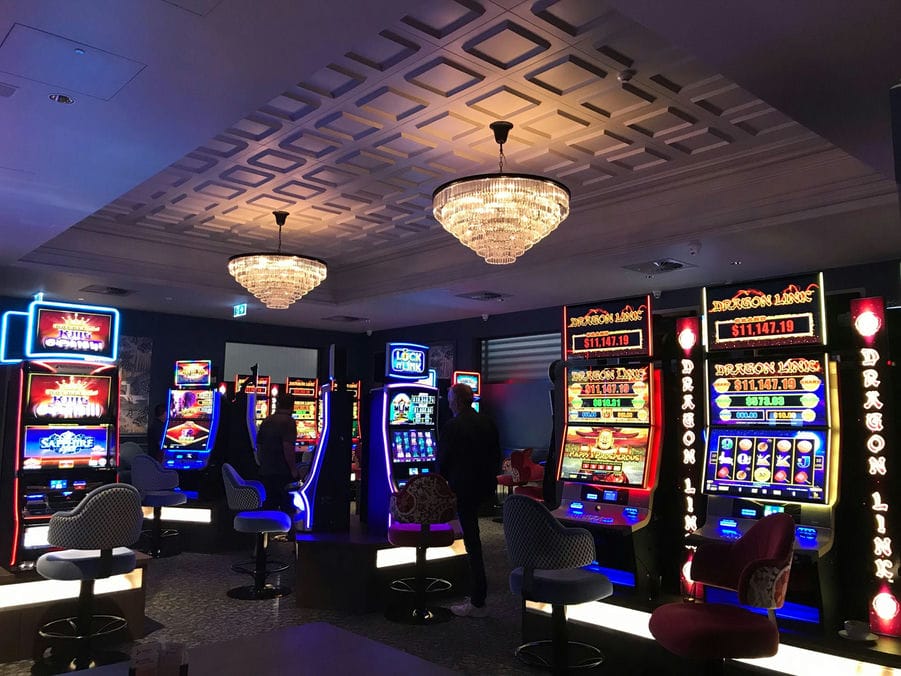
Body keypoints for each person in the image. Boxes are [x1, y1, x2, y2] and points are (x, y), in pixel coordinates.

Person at [438, 382, 502, 618]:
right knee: (474, 538)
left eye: (449, 399)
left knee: (472, 541)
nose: (448, 404)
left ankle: (477, 600)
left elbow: (442, 463)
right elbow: (497, 456)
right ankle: (477, 593)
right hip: (485, 488)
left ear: (456, 401)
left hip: (463, 490)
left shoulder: (453, 426)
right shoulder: (488, 422)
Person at [256, 391, 299, 515]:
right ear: (292, 406)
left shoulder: (267, 420)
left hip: (266, 469)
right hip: (282, 470)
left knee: (270, 505)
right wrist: (293, 470)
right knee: (287, 507)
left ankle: (268, 526)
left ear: (278, 404)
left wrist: (263, 463)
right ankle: (286, 527)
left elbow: (259, 445)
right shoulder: (289, 421)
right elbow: (288, 447)